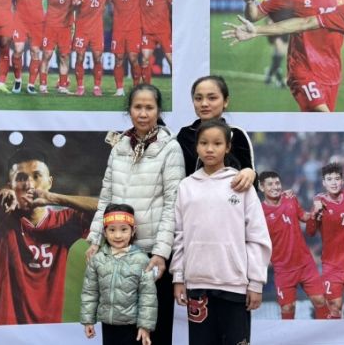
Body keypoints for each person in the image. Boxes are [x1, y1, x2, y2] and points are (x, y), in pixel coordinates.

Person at [86, 83, 185, 345]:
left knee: (155, 332)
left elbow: (173, 204)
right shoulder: (118, 146)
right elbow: (106, 198)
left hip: (152, 254)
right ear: (129, 110)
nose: (143, 113)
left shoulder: (170, 148)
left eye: (149, 107)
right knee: (118, 329)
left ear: (158, 110)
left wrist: (162, 254)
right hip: (117, 252)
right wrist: (96, 239)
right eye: (137, 107)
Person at [171, 119, 271, 344]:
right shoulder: (186, 187)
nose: (209, 148)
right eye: (204, 143)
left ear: (227, 147)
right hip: (197, 286)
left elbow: (257, 237)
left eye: (217, 143)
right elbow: (179, 235)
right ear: (196, 147)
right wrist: (178, 277)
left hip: (235, 286)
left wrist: (255, 283)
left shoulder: (241, 185)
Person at [0, 148, 98, 325]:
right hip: (3, 332)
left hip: (47, 333)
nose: (29, 184)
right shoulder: (2, 218)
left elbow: (109, 208)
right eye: (20, 178)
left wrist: (54, 198)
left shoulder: (65, 221)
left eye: (36, 176)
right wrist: (3, 197)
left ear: (49, 182)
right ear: (11, 185)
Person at [81, 203, 157, 345]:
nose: (117, 235)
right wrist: (88, 321)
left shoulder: (141, 260)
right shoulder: (97, 260)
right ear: (104, 232)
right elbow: (90, 292)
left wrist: (145, 326)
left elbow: (148, 297)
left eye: (123, 229)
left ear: (133, 231)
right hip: (108, 325)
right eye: (112, 230)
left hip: (132, 327)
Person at [258, 171, 329, 319]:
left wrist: (315, 213)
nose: (275, 187)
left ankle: (328, 338)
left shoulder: (290, 199)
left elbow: (304, 217)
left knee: (320, 301)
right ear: (261, 187)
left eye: (277, 183)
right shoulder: (259, 212)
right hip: (283, 269)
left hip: (305, 264)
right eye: (270, 184)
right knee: (287, 307)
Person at [307, 163, 344, 318]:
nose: (333, 182)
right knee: (334, 308)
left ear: (342, 181)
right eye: (329, 179)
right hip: (331, 266)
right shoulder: (319, 204)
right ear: (323, 183)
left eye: (337, 179)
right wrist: (314, 213)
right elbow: (310, 232)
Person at [177, 75, 256, 191]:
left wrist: (251, 174)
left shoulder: (237, 135)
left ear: (225, 101)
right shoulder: (184, 134)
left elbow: (251, 180)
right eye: (198, 98)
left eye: (212, 98)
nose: (204, 104)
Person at [104, 0, 143, 95]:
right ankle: (119, 89)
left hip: (134, 29)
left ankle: (136, 87)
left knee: (133, 58)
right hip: (119, 30)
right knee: (119, 59)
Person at [11, 0, 47, 95]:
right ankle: (18, 79)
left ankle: (31, 84)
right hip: (20, 20)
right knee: (18, 51)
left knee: (35, 53)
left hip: (37, 21)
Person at [254, 0, 295, 88]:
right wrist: (268, 17)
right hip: (272, 19)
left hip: (288, 19)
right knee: (278, 47)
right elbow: (261, 3)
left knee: (282, 50)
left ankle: (269, 73)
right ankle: (278, 78)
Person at [37, 0, 75, 94]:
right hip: (50, 26)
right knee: (47, 54)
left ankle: (63, 86)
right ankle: (42, 85)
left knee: (64, 56)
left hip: (66, 27)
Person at [73, 0, 109, 97]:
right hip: (82, 29)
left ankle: (97, 87)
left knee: (98, 58)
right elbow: (73, 1)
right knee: (80, 57)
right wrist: (76, 3)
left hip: (97, 30)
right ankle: (80, 87)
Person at [140, 0, 172, 83]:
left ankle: (180, 86)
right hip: (147, 33)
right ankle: (147, 87)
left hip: (164, 32)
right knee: (145, 60)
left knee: (171, 59)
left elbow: (176, 6)